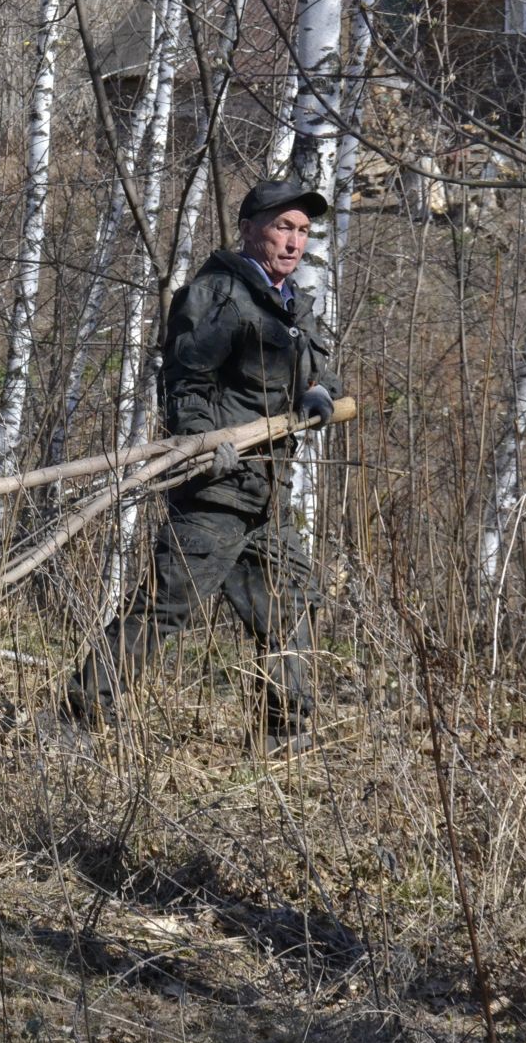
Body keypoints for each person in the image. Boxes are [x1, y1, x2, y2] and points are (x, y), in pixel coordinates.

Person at [63, 179, 344, 754]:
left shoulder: (291, 305)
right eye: (282, 227)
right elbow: (186, 384)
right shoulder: (219, 295)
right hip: (216, 493)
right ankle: (75, 721)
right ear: (248, 230)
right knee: (166, 607)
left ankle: (282, 735)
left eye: (302, 231)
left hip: (266, 491)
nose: (294, 242)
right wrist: (203, 442)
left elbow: (313, 375)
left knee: (289, 608)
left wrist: (319, 394)